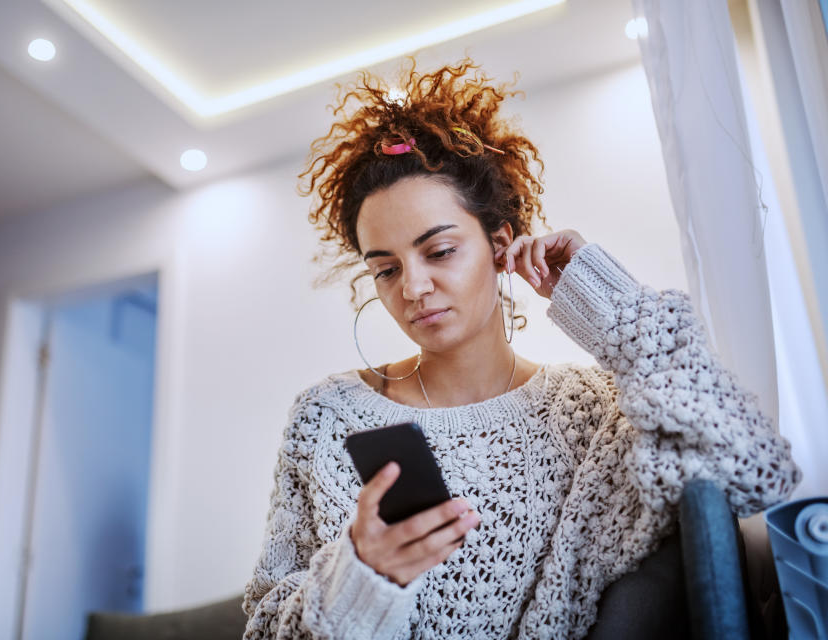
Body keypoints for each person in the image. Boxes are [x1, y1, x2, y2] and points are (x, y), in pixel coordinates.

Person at [241, 59, 801, 639]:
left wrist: (606, 300)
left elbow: (750, 470)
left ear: (500, 243)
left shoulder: (595, 412)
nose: (412, 289)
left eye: (439, 252)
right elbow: (264, 628)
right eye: (385, 269)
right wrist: (360, 577)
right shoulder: (326, 418)